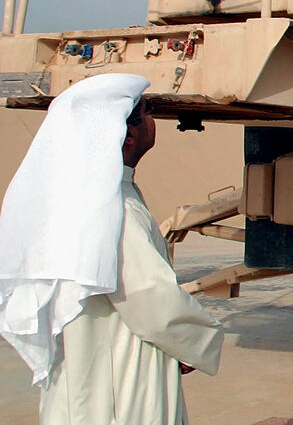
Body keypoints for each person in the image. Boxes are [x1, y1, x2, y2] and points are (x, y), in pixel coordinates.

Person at [0, 73, 223, 424]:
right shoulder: (114, 207)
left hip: (82, 366)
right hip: (122, 374)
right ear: (129, 134)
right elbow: (150, 298)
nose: (154, 121)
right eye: (147, 113)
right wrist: (196, 341)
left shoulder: (72, 199)